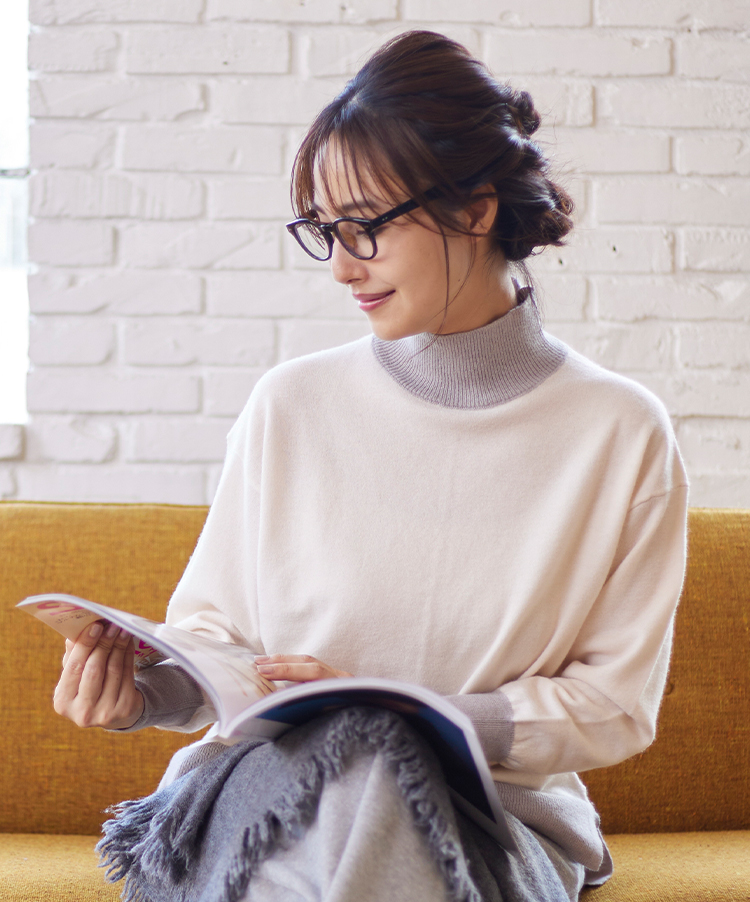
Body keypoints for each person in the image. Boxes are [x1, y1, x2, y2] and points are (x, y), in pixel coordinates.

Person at [53, 30, 688, 902]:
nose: (343, 267)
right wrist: (143, 695)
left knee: (374, 774)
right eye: (325, 231)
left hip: (484, 815)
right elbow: (221, 644)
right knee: (346, 791)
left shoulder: (619, 431)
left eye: (365, 228)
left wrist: (395, 712)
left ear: (476, 210)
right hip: (270, 795)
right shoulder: (292, 404)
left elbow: (614, 705)